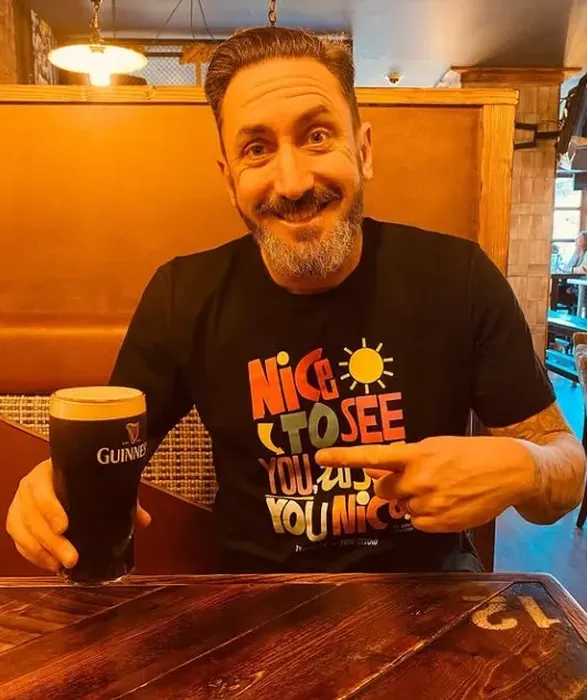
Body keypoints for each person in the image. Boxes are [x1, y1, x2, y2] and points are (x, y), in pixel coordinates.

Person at [6, 27, 586, 575]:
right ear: (229, 179)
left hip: (428, 594)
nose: (292, 183)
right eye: (257, 149)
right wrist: (50, 487)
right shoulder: (183, 295)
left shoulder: (460, 277)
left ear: (363, 151)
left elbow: (567, 472)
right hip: (254, 606)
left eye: (317, 136)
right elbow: (113, 453)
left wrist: (530, 469)